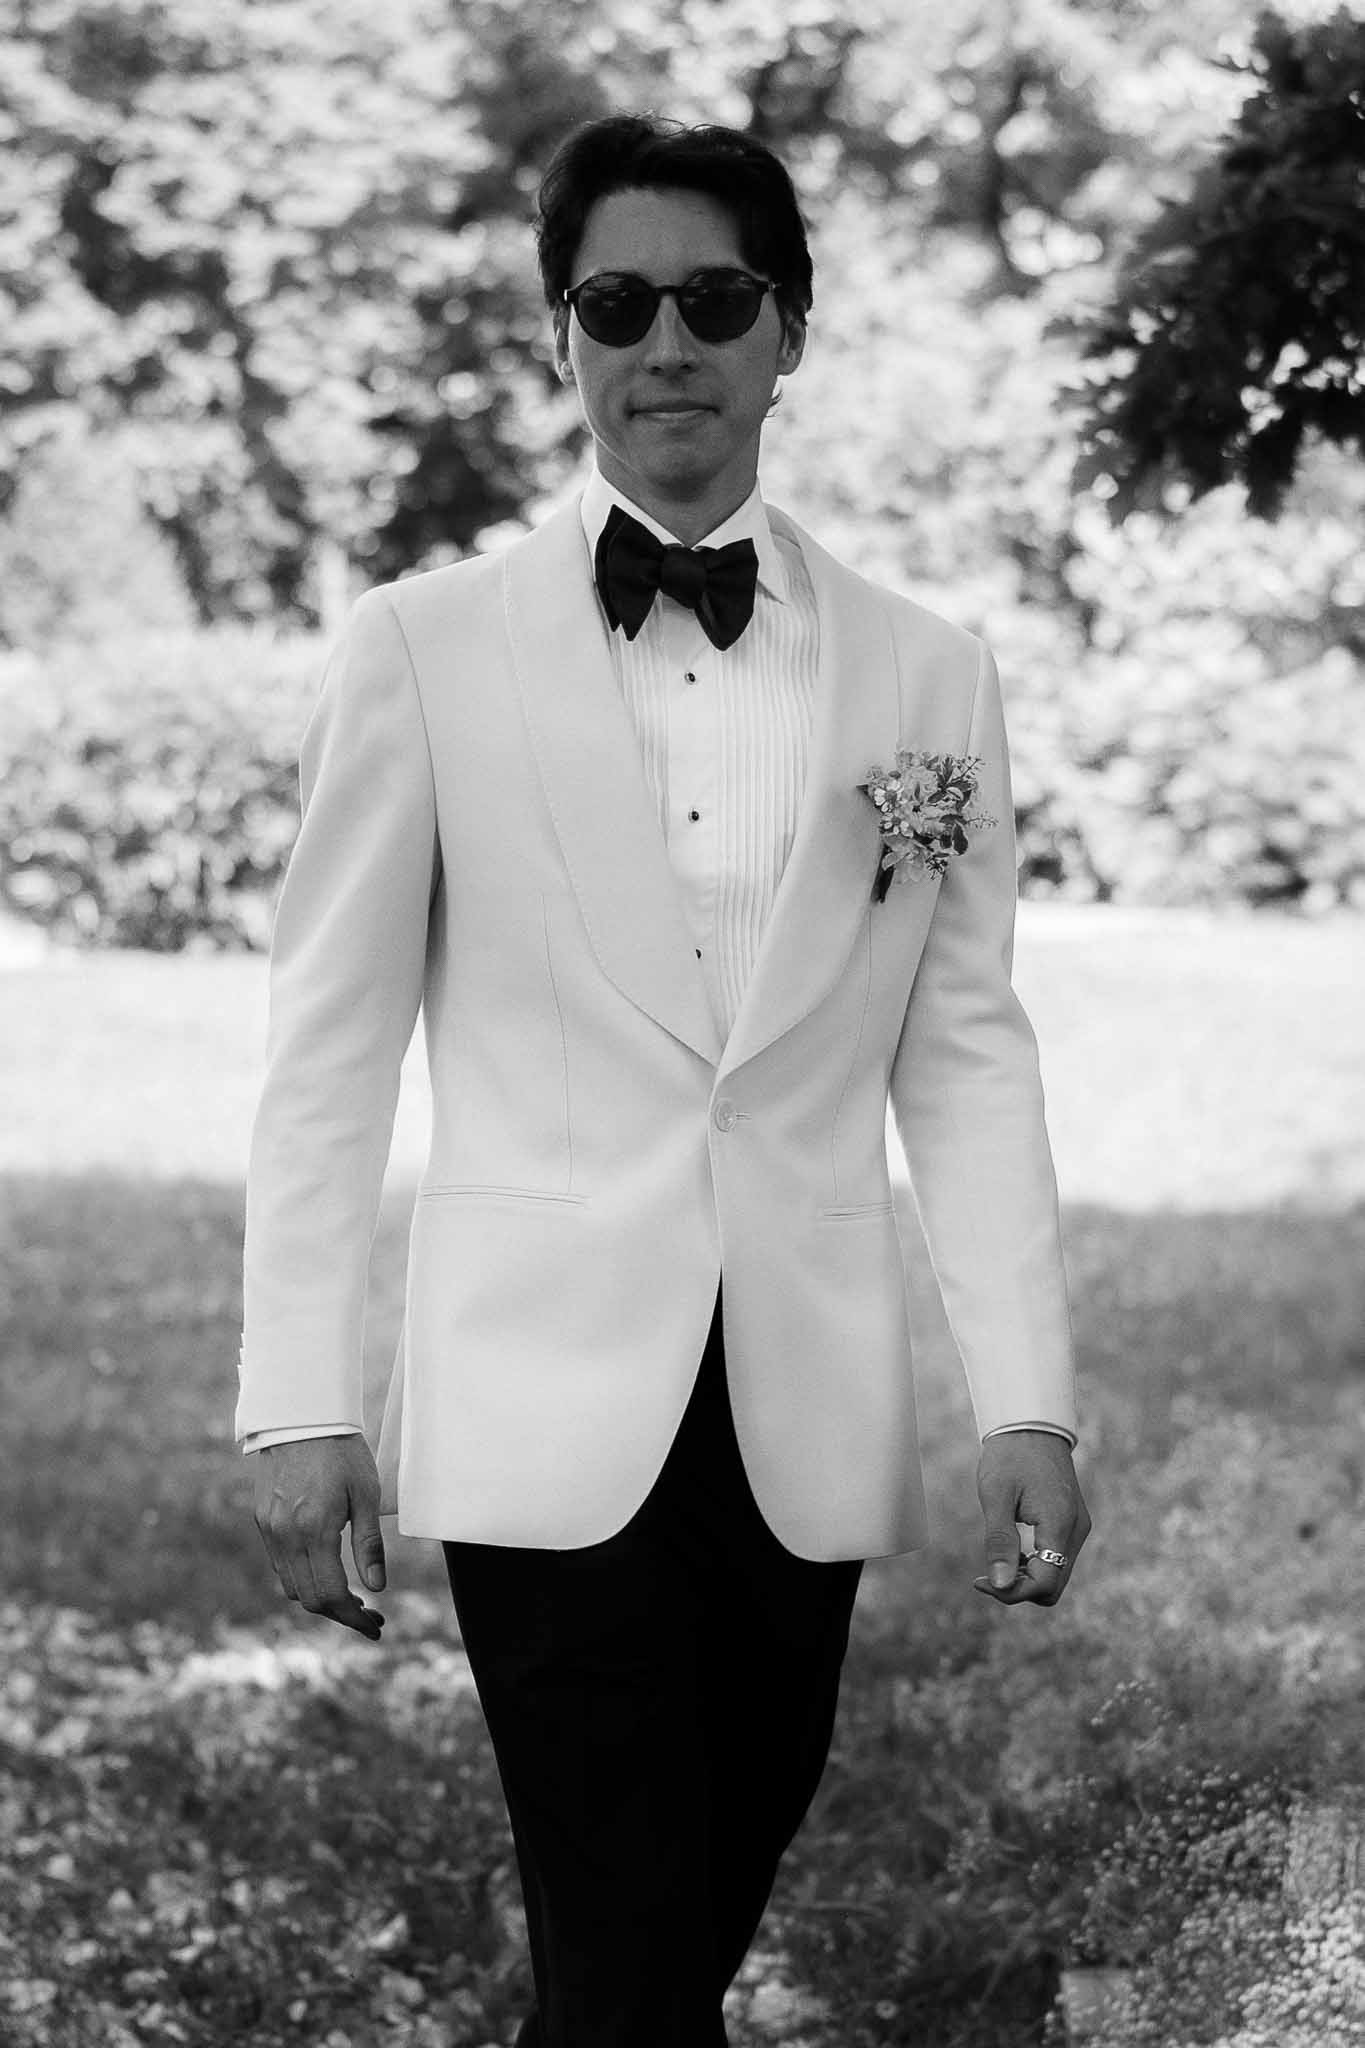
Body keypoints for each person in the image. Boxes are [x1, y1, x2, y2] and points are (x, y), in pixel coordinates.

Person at [238, 112, 1090, 2048]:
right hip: (539, 1386)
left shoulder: (925, 672)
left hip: (802, 1399)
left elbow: (960, 1050)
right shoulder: (421, 648)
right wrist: (295, 1399)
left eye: (714, 299)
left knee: (683, 1910)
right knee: (625, 1921)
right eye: (614, 302)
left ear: (785, 331)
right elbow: (326, 1046)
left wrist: (1024, 1392)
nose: (665, 342)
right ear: (559, 340)